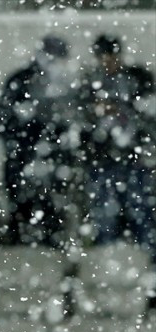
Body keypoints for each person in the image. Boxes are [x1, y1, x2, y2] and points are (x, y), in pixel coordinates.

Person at [0, 35, 79, 249]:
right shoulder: (21, 81)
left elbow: (72, 122)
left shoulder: (66, 86)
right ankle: (22, 237)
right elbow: (0, 122)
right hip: (23, 159)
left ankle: (48, 236)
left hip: (52, 162)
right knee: (22, 207)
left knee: (51, 209)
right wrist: (24, 130)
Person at [79, 35, 155, 262]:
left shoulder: (136, 79)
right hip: (104, 159)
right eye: (104, 58)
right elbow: (82, 119)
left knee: (141, 210)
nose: (109, 63)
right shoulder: (91, 82)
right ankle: (106, 262)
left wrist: (126, 109)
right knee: (105, 213)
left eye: (112, 57)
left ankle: (146, 260)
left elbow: (148, 113)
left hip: (133, 158)